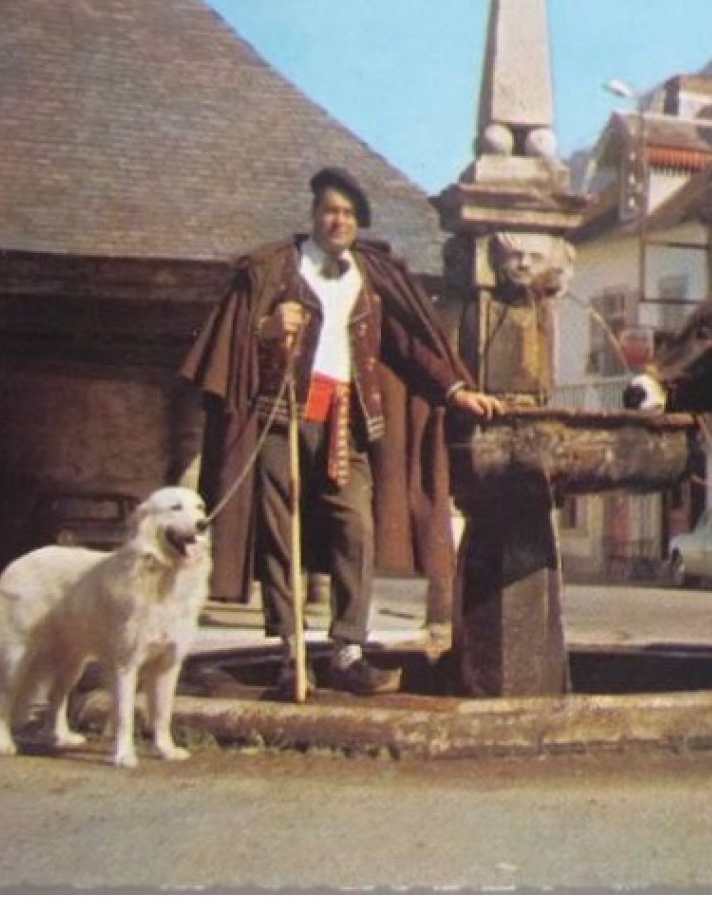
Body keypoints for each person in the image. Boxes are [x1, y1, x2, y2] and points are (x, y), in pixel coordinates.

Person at [180, 167, 502, 697]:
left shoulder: (369, 278)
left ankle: (347, 650)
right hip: (281, 417)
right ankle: (292, 653)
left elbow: (409, 345)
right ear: (313, 215)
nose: (339, 220)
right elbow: (234, 341)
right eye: (330, 210)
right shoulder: (275, 268)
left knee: (356, 528)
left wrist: (454, 391)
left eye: (349, 214)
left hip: (346, 422)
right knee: (280, 537)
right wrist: (267, 330)